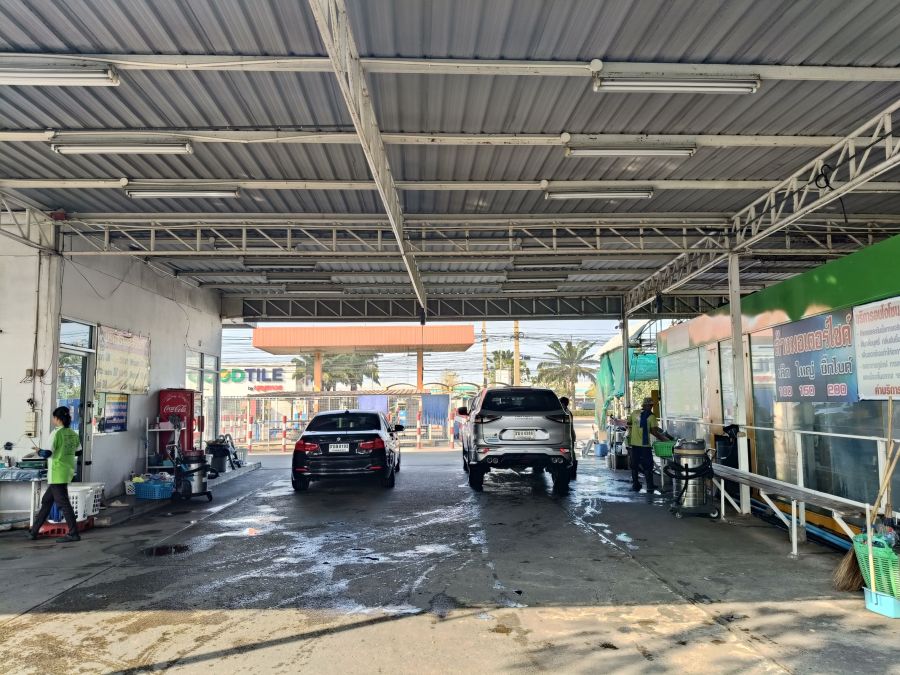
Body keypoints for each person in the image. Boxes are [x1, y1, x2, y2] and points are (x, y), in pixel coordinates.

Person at [27, 406, 82, 543]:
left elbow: (47, 453)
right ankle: (34, 531)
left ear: (57, 419)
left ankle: (74, 533)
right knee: (47, 501)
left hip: (56, 473)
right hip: (67, 471)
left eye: (54, 417)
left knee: (64, 504)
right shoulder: (73, 433)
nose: (53, 420)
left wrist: (38, 450)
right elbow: (79, 451)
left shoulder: (56, 433)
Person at [626, 397, 671, 494]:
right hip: (645, 445)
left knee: (634, 465)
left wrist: (636, 429)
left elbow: (629, 423)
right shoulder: (651, 416)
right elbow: (655, 432)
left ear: (643, 405)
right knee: (648, 466)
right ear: (650, 405)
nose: (651, 407)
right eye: (651, 405)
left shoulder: (634, 413)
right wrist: (666, 440)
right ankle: (650, 485)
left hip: (634, 444)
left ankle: (635, 484)